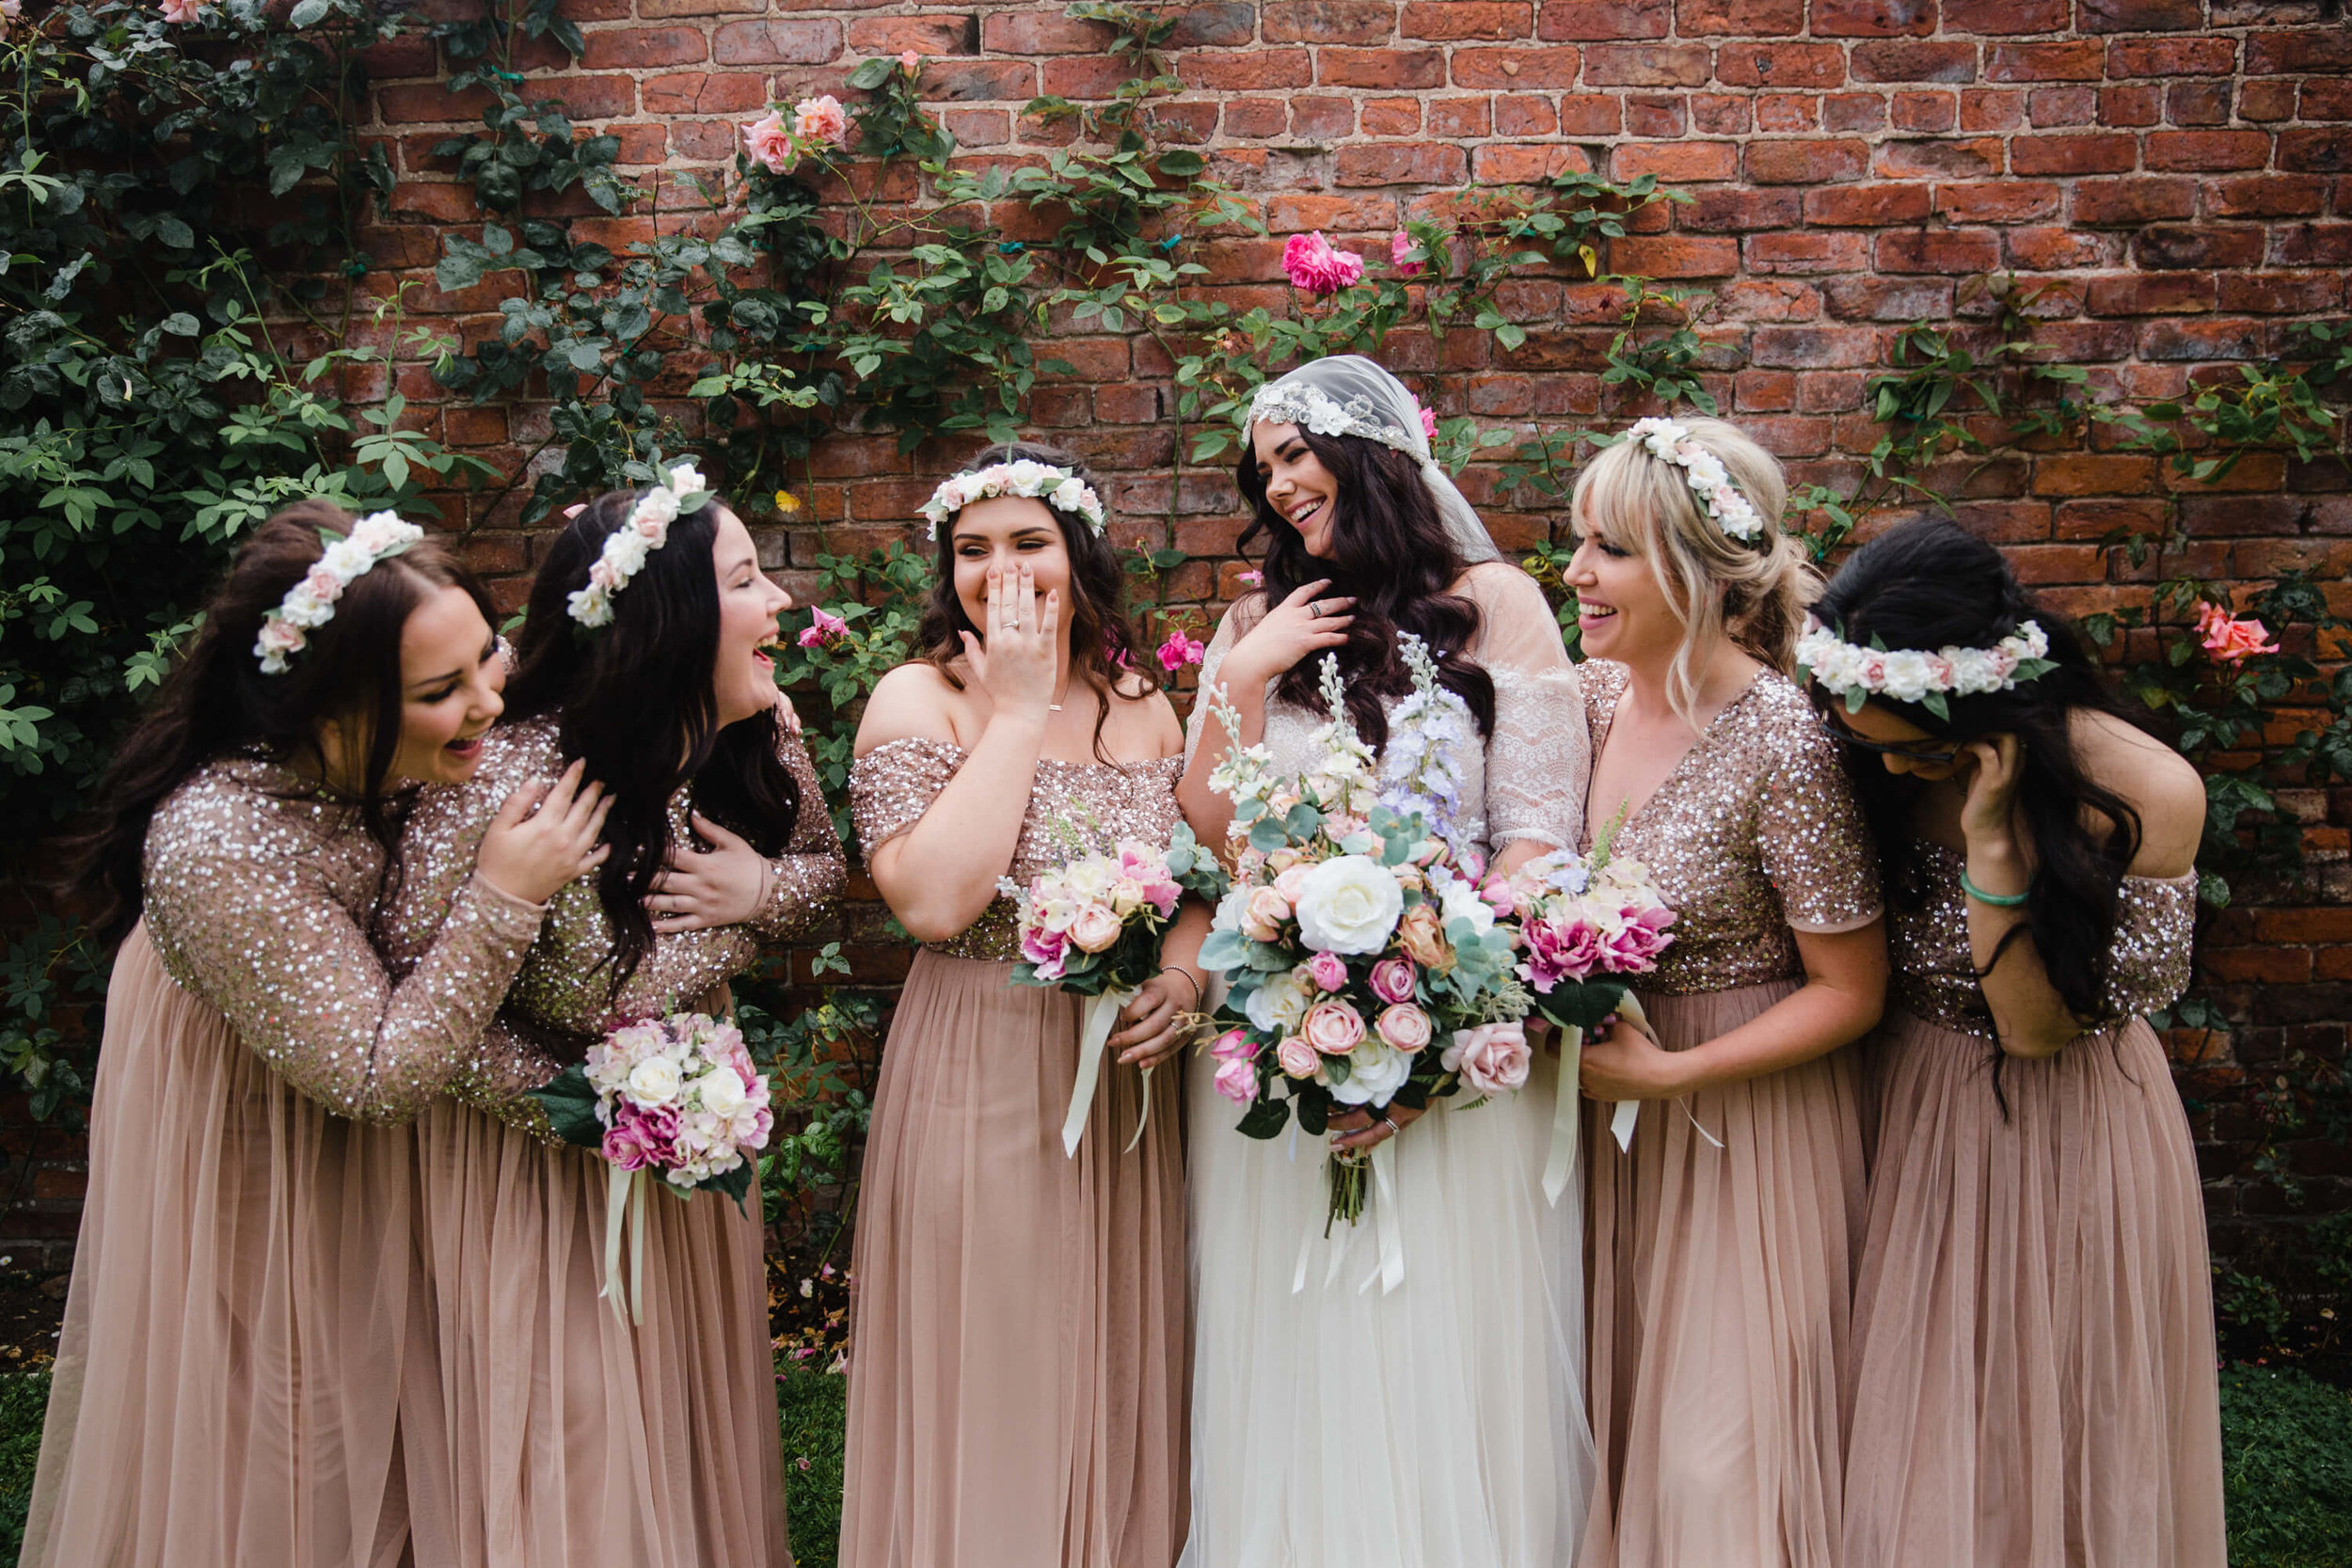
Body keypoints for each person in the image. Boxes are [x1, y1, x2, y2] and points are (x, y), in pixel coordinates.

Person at [24, 504, 608, 1566]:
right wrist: (501, 898)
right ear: (322, 706)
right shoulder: (219, 841)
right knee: (281, 1419)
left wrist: (599, 568)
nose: (490, 697)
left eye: (487, 655)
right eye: (442, 693)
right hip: (252, 1133)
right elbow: (376, 1071)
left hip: (378, 1071)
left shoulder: (425, 711)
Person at [373, 462, 847, 1568]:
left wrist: (761, 896)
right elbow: (414, 992)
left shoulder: (757, 729)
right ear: (671, 620)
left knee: (677, 1431)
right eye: (746, 578)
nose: (780, 602)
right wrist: (587, 1110)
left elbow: (824, 869)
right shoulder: (511, 780)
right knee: (571, 1449)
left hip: (677, 1157)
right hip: (528, 1174)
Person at [1175, 356, 1595, 1568]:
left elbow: (1534, 833)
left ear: (1368, 451)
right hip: (1286, 1029)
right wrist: (1241, 681)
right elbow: (1215, 830)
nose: (1280, 484)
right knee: (1304, 1334)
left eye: (1295, 453)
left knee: (1444, 1333)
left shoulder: (1497, 599)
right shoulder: (1254, 625)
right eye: (1264, 469)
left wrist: (1450, 994)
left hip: (1449, 1032)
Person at [1811, 518, 2225, 1568]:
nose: (1894, 774)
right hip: (1903, 1094)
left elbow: (2038, 1028)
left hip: (2060, 1124)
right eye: (1874, 749)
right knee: (1911, 1415)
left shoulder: (2141, 792)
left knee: (2052, 1417)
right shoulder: (1879, 753)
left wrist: (1992, 839)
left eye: (1917, 751)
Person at [840, 442, 1203, 1568]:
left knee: (1110, 1340)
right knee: (996, 1343)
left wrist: (1186, 976)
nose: (1002, 570)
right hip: (982, 1056)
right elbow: (936, 900)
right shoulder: (917, 696)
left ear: (1078, 550)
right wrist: (1014, 711)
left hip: (1125, 1078)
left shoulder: (1143, 702)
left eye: (1029, 542)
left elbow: (1197, 878)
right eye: (972, 549)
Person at [1564, 417, 1886, 1568]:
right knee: (1608, 1422)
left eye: (1605, 550)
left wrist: (1674, 1071)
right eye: (1578, 544)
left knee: (1716, 1463)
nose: (1574, 574)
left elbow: (1851, 988)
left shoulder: (1782, 739)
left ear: (1690, 571)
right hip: (1601, 1119)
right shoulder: (1592, 698)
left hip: (1740, 1127)